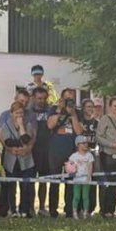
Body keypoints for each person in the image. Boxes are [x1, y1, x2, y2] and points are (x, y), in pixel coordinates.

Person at [47, 88, 84, 218]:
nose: (69, 101)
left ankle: (69, 210)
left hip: (71, 151)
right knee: (54, 181)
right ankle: (52, 210)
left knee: (70, 181)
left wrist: (72, 114)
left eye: (71, 98)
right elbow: (50, 125)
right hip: (56, 150)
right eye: (67, 98)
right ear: (62, 99)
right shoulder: (54, 109)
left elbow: (79, 131)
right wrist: (60, 110)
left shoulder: (77, 112)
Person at [0, 99, 36, 217]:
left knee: (25, 186)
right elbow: (8, 141)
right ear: (11, 113)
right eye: (17, 113)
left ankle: (24, 210)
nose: (19, 115)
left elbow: (26, 140)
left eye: (21, 113)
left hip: (25, 160)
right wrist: (19, 143)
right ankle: (12, 209)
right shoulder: (6, 125)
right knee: (11, 186)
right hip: (11, 160)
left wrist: (21, 127)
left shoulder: (27, 124)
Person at [29, 87, 52, 215]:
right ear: (33, 97)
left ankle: (42, 207)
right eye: (38, 98)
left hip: (47, 150)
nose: (41, 101)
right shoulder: (28, 111)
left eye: (43, 98)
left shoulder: (50, 110)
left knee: (44, 180)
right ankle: (31, 207)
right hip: (32, 150)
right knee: (31, 180)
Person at [79, 99, 100, 215]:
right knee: (81, 180)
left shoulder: (97, 123)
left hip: (93, 154)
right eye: (88, 106)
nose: (90, 109)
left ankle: (91, 208)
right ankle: (80, 207)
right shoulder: (79, 122)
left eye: (92, 106)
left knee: (93, 180)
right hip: (81, 155)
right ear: (83, 108)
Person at [67, 135, 95, 219]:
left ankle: (85, 212)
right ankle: (75, 212)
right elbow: (69, 167)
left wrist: (88, 177)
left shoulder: (89, 156)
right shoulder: (73, 156)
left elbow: (90, 167)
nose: (86, 145)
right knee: (76, 196)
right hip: (77, 180)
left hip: (86, 180)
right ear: (78, 145)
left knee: (85, 197)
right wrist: (71, 171)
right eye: (83, 143)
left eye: (86, 143)